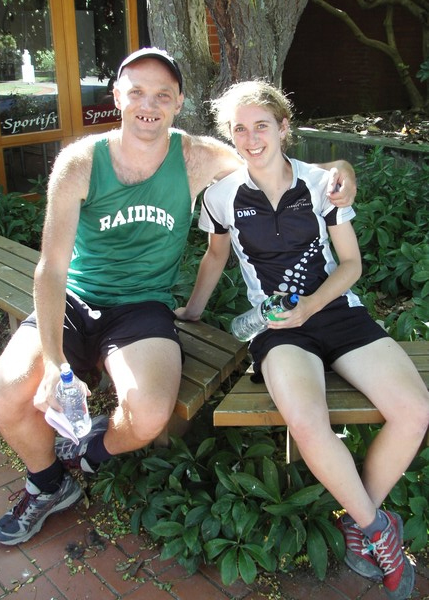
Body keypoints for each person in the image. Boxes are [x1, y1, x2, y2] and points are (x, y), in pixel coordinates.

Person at [0, 48, 356, 547]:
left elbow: (286, 162)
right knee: (7, 393)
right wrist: (53, 363)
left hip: (143, 306)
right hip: (76, 297)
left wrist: (341, 168)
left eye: (163, 94)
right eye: (136, 91)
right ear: (116, 96)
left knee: (150, 414)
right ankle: (48, 484)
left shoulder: (196, 156)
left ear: (178, 102)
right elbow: (51, 268)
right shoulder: (80, 163)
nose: (148, 104)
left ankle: (93, 451)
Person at [175, 80, 429, 600]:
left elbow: (353, 264)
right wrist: (193, 312)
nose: (251, 138)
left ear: (284, 127)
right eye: (239, 129)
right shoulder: (221, 196)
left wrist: (311, 305)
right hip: (276, 330)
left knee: (415, 411)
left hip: (334, 311)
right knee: (307, 421)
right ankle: (380, 531)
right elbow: (216, 257)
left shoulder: (322, 184)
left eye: (262, 126)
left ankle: (361, 519)